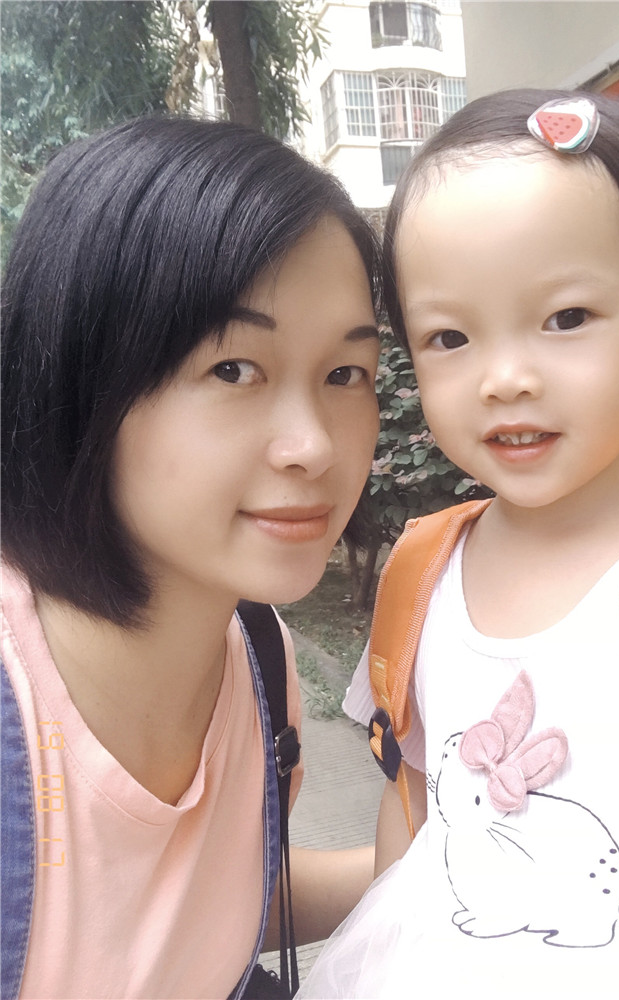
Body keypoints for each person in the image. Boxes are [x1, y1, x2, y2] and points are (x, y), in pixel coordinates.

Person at [298, 89, 619, 998]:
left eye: (567, 318)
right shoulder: (421, 570)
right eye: (450, 336)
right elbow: (411, 800)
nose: (505, 378)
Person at [0, 116, 383, 999]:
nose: (314, 446)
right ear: (81, 380)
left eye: (345, 373)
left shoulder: (259, 653)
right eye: (234, 369)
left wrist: (454, 854)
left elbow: (209, 902)